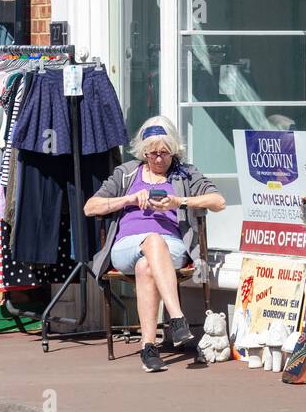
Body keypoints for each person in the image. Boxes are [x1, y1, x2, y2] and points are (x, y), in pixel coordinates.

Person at [86, 116, 225, 372]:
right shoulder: (126, 173)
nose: (159, 159)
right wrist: (128, 199)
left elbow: (218, 201)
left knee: (145, 266)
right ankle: (177, 317)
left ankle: (148, 349)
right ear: (144, 152)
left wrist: (179, 202)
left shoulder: (185, 173)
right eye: (153, 154)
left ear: (173, 150)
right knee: (152, 240)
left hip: (172, 247)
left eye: (164, 153)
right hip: (125, 247)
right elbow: (90, 207)